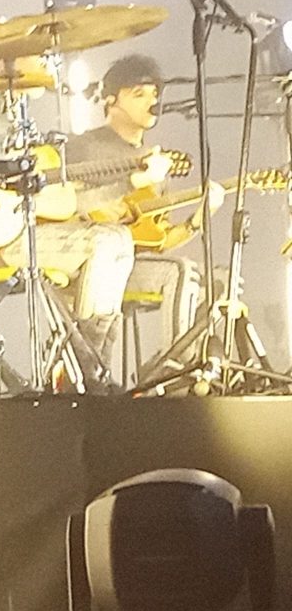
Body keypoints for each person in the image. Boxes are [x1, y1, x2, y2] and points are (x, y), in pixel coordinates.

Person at [66, 53, 224, 378]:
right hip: (91, 264)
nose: (152, 102)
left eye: (154, 94)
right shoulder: (87, 147)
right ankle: (174, 369)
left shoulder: (156, 163)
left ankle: (188, 371)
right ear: (111, 100)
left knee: (217, 281)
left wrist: (200, 217)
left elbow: (159, 240)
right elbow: (69, 203)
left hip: (134, 264)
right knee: (180, 272)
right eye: (139, 94)